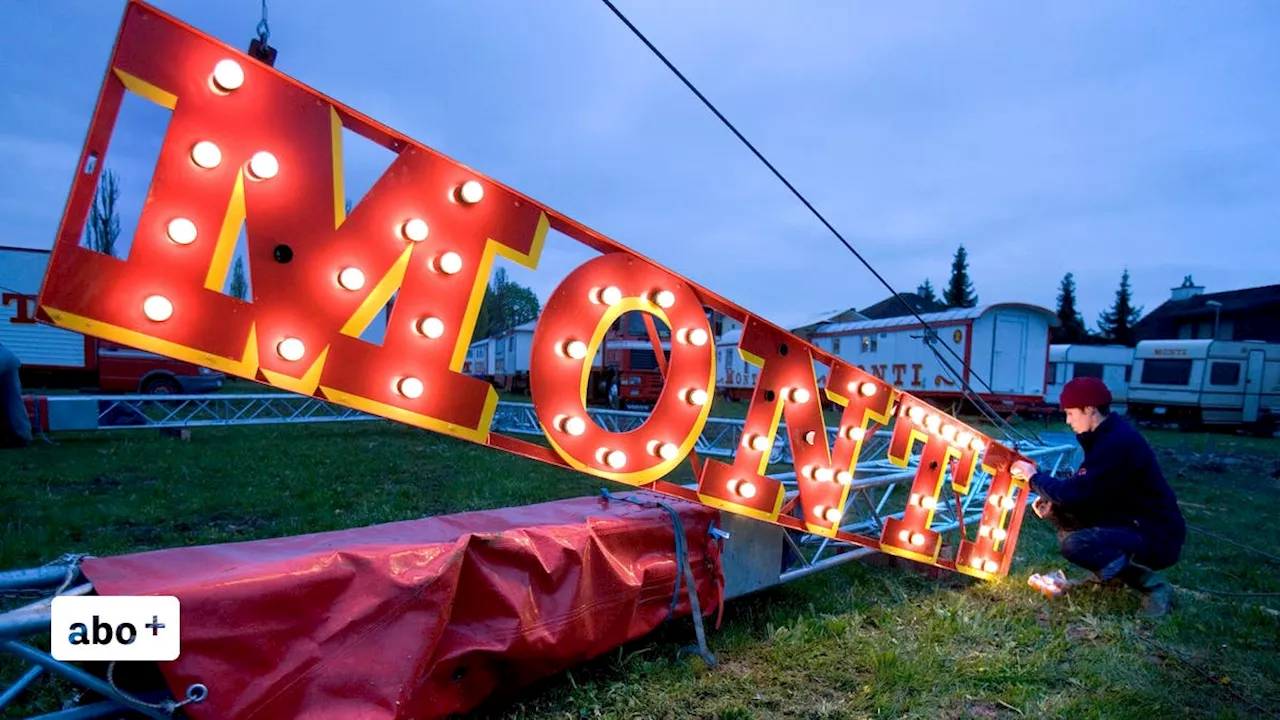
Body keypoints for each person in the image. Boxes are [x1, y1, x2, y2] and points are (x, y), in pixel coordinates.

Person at [1011, 376, 1185, 617]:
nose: (1068, 420)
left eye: (1071, 413)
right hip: (1132, 522)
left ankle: (1153, 585)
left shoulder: (1117, 443)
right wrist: (1056, 509)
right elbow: (1090, 492)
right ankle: (1111, 578)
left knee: (1077, 543)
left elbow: (1078, 493)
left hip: (1155, 534)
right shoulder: (1105, 438)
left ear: (1090, 410)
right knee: (1065, 517)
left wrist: (1033, 477)